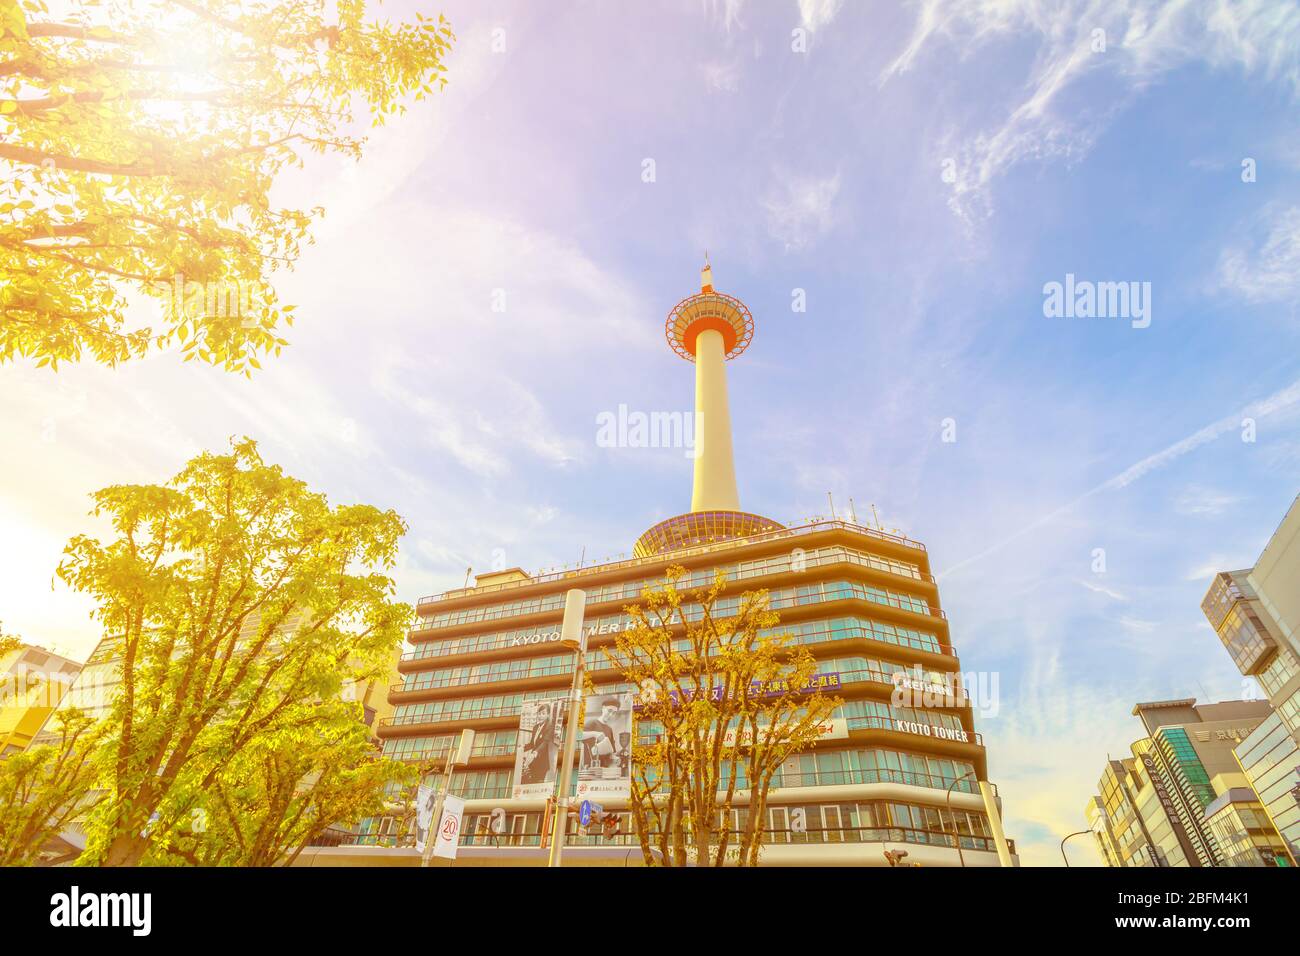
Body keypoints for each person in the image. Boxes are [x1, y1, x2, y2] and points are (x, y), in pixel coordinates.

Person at [520, 701, 557, 784]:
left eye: (543, 713)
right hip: (533, 761)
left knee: (537, 782)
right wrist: (522, 747)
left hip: (543, 761)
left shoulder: (550, 726)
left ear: (548, 715)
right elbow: (532, 744)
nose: (540, 716)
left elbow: (545, 742)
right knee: (529, 781)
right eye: (539, 713)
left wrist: (535, 753)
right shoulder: (535, 727)